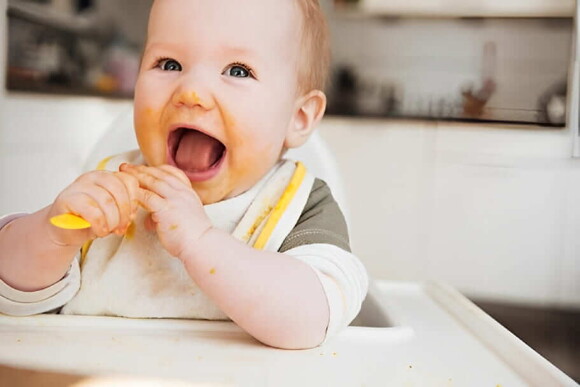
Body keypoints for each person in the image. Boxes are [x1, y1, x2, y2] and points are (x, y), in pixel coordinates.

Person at [0, 0, 368, 350]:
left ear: (298, 117)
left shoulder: (299, 207)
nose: (191, 92)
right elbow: (13, 296)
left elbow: (311, 320)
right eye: (170, 64)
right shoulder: (110, 189)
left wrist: (200, 241)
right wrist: (51, 235)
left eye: (238, 71)